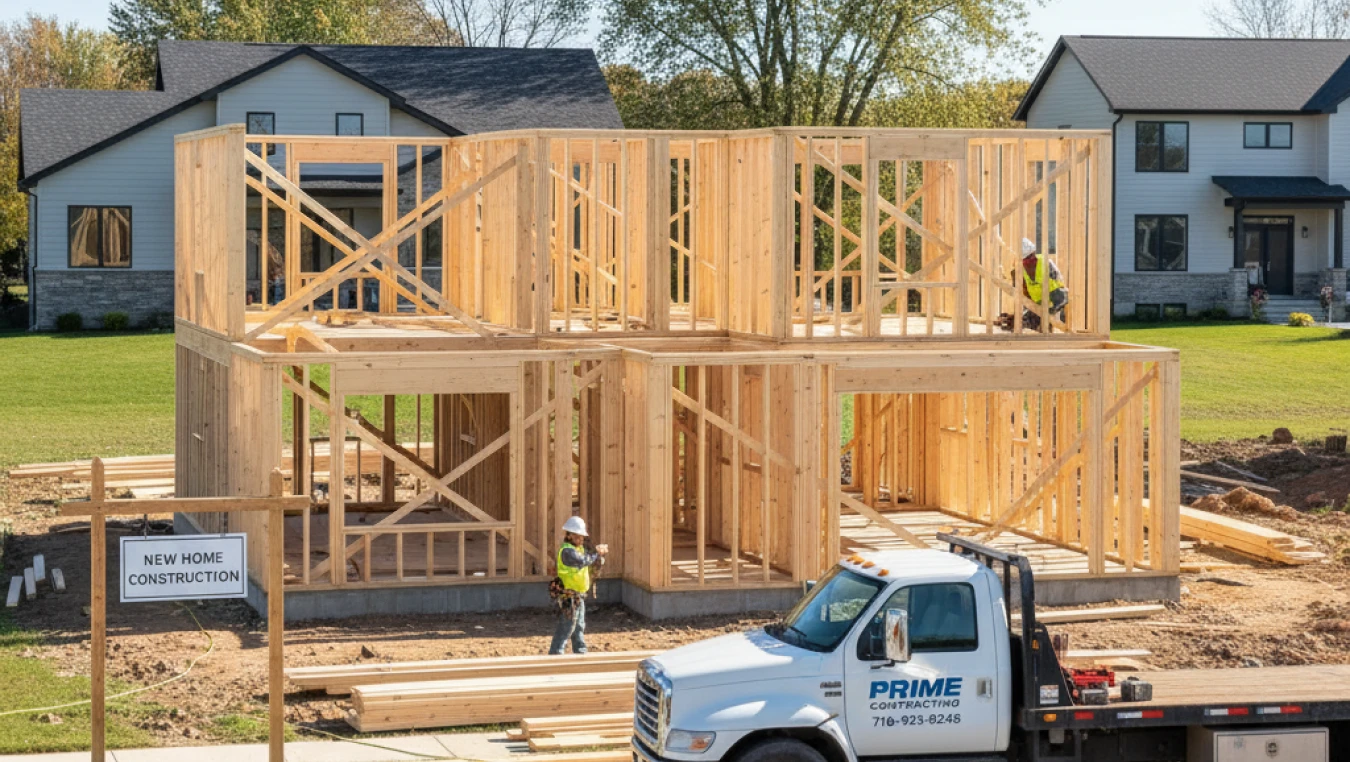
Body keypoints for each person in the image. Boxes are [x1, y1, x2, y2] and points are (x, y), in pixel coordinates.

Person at [549, 516, 607, 655]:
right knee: (567, 626)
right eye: (577, 536)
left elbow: (588, 561)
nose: (580, 539)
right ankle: (555, 654)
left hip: (578, 596)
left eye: (581, 537)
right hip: (569, 596)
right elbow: (583, 561)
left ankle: (580, 651)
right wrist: (596, 553)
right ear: (569, 535)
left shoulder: (578, 549)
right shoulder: (567, 551)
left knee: (579, 626)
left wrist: (598, 558)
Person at [1016, 237, 1068, 324]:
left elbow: (1059, 280)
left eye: (1031, 258)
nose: (1030, 262)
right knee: (1027, 322)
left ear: (1034, 253)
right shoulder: (1020, 269)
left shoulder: (1045, 262)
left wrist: (1059, 303)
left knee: (1060, 324)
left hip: (1057, 301)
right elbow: (1024, 292)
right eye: (1026, 260)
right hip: (1039, 305)